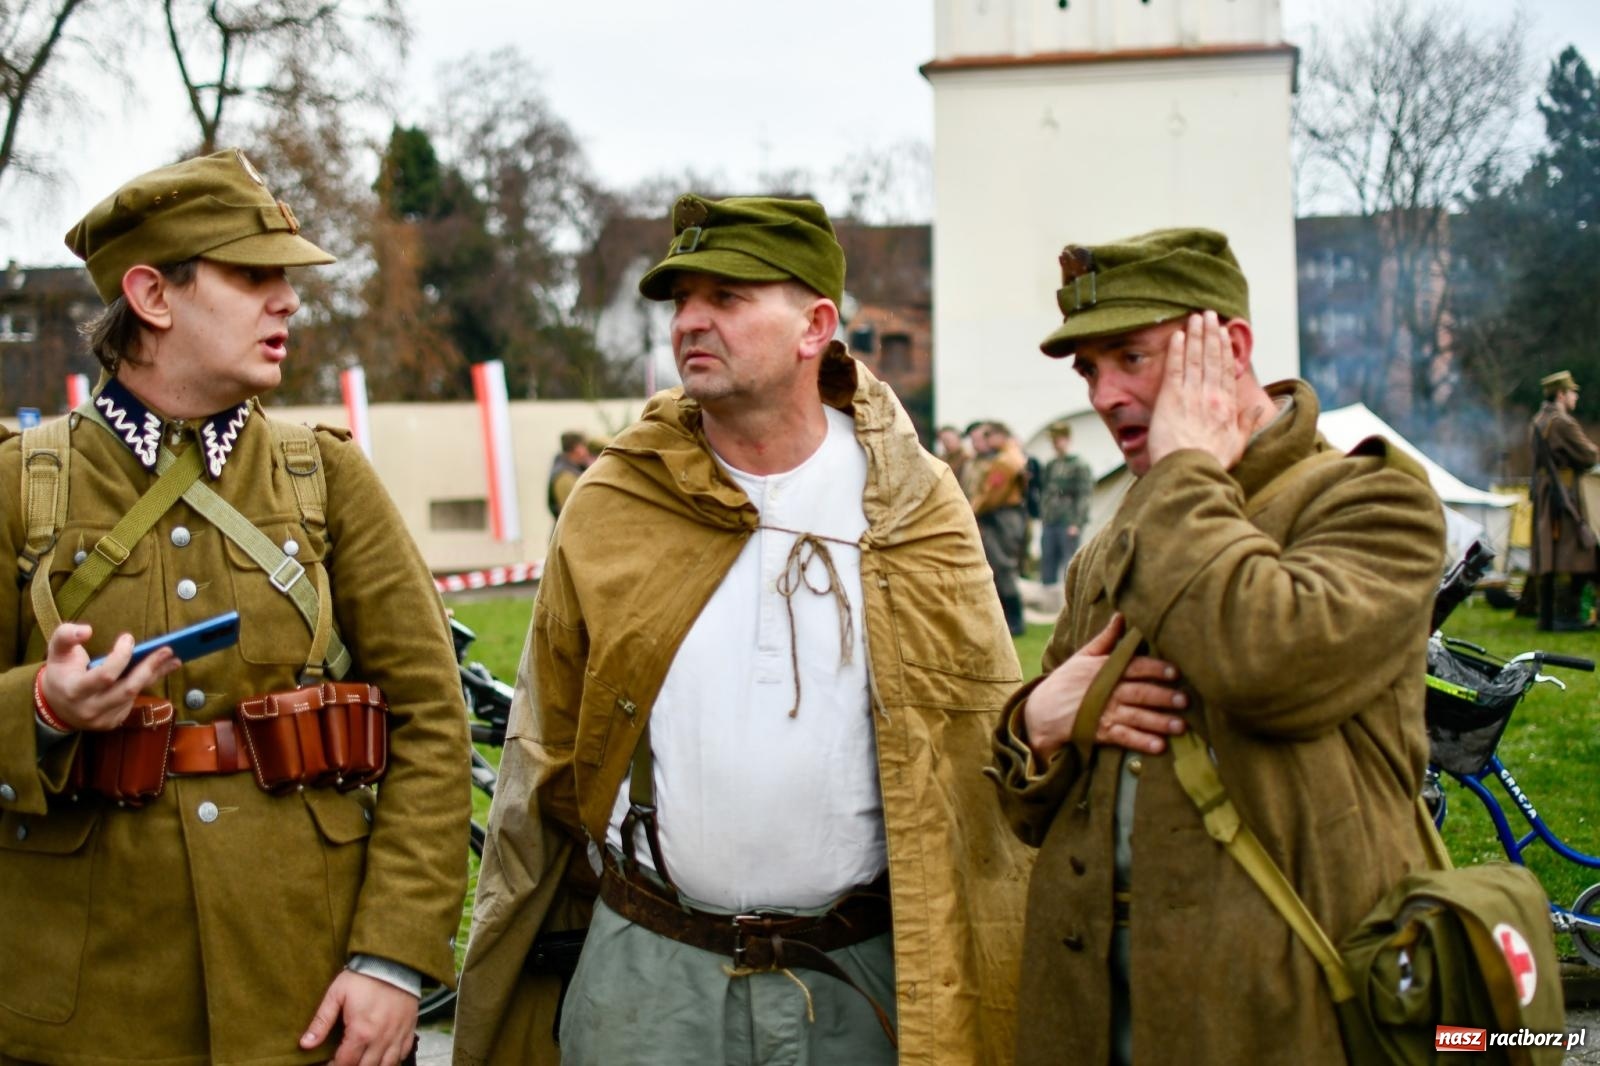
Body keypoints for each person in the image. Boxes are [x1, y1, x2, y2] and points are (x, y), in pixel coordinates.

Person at [456, 194, 1031, 1066]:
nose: (690, 321)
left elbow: (973, 749)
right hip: (650, 981)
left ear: (816, 327)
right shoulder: (617, 500)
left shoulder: (912, 503)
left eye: (727, 298)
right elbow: (548, 749)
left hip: (856, 982)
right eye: (682, 301)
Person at [0, 149, 470, 1065]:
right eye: (254, 275)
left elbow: (430, 723)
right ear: (152, 295)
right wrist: (45, 712)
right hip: (81, 1007)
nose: (287, 301)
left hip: (308, 991)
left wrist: (393, 959)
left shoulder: (327, 479)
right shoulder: (19, 488)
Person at [988, 228, 1446, 1064]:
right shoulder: (1114, 542)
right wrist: (1035, 727)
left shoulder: (1373, 501)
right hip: (1093, 1006)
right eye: (1089, 369)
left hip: (1272, 1005)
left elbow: (1268, 663)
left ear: (1230, 348)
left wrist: (1182, 473)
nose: (1104, 394)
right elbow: (1028, 808)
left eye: (1131, 354)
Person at [1528, 370, 1598, 631]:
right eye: (1572, 392)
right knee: (1576, 553)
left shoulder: (1538, 421)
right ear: (1561, 394)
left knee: (1550, 555)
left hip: (1548, 494)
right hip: (1564, 493)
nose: (1576, 397)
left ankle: (1549, 617)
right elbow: (1588, 455)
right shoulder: (1562, 423)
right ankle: (1566, 617)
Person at [969, 421, 1030, 636]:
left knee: (1002, 566)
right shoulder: (1012, 456)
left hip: (1003, 516)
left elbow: (992, 492)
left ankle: (1014, 620)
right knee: (1000, 566)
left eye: (988, 436)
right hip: (1006, 515)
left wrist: (972, 509)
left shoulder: (1006, 460)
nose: (985, 441)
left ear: (999, 435)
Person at [1036, 421, 1094, 589]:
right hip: (1051, 520)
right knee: (1048, 560)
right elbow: (1046, 491)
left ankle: (1069, 598)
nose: (1055, 444)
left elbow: (1084, 495)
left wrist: (1076, 523)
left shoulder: (1079, 465)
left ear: (1067, 439)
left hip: (1068, 521)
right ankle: (1048, 600)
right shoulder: (1052, 465)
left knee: (1069, 562)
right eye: (1053, 440)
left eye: (1058, 439)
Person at [546, 431, 593, 519]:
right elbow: (573, 513)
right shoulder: (565, 477)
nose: (587, 452)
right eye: (585, 446)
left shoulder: (573, 471)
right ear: (578, 449)